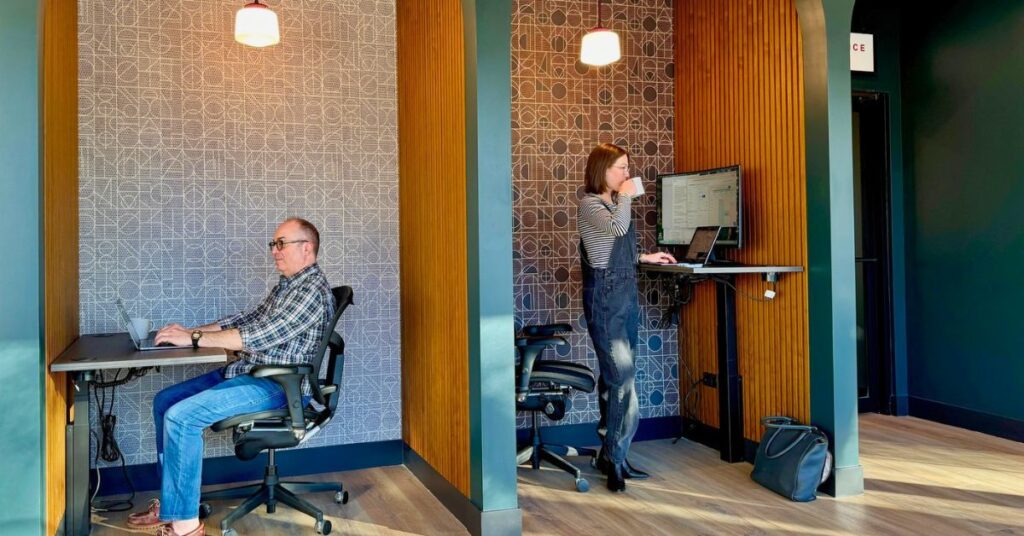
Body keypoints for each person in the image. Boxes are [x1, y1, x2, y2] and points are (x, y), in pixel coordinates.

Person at [125, 217, 334, 536]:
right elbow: (245, 318)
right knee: (165, 401)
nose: (274, 251)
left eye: (281, 243)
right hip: (248, 371)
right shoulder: (288, 285)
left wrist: (192, 340)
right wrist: (190, 331)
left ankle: (185, 526)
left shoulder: (311, 291)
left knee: (182, 417)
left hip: (277, 384)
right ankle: (175, 504)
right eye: (273, 244)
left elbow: (259, 335)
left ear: (306, 248)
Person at [577, 143, 676, 492]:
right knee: (623, 380)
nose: (626, 174)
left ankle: (610, 454)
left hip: (624, 296)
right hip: (605, 299)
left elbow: (615, 251)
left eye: (626, 168)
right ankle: (615, 460)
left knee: (615, 378)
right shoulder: (592, 204)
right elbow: (617, 230)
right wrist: (627, 197)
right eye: (620, 167)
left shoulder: (612, 205)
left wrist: (646, 258)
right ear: (602, 170)